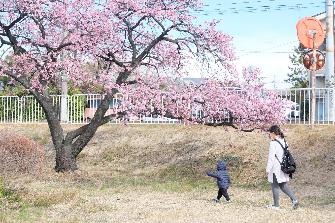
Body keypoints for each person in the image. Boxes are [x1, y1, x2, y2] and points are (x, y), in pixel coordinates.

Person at [266, 125, 299, 210]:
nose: (269, 135)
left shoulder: (273, 143)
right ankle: (295, 200)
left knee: (274, 186)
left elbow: (271, 157)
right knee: (283, 185)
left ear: (273, 133)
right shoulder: (284, 141)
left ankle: (276, 205)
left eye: (270, 133)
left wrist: (268, 169)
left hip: (275, 167)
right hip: (283, 167)